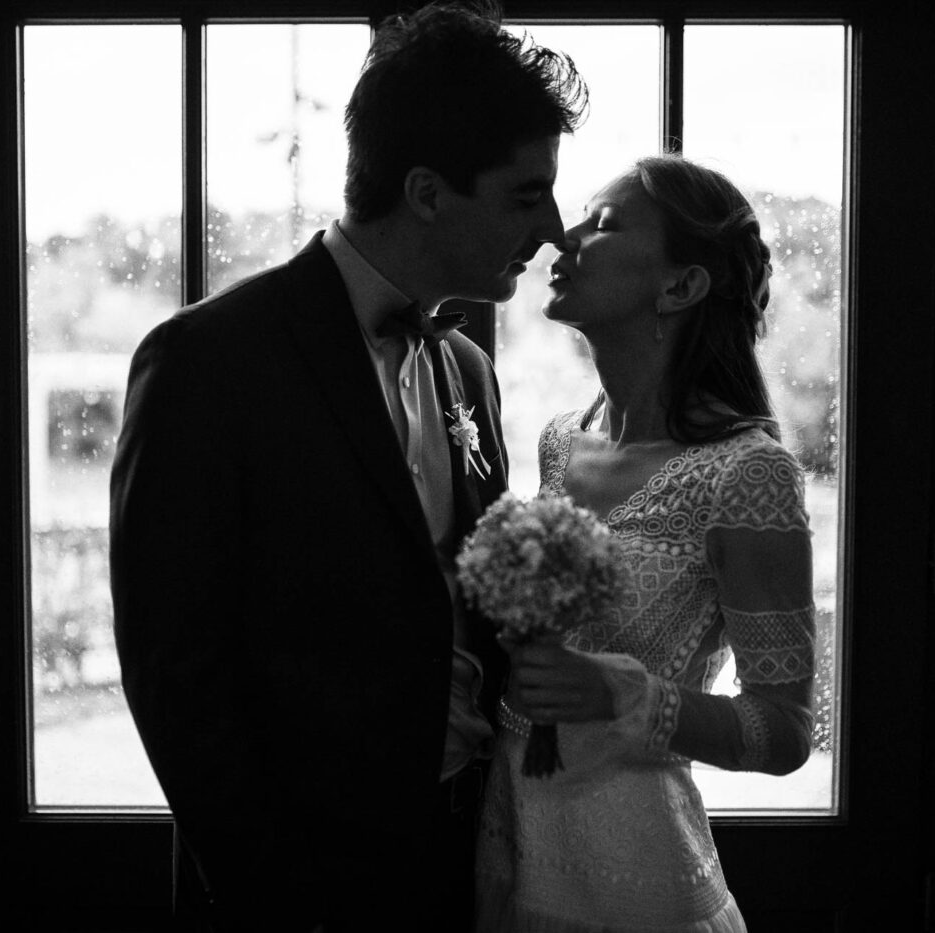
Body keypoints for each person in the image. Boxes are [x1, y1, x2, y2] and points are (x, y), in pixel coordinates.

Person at [108, 4, 585, 930]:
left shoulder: (468, 370)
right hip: (298, 884)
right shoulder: (208, 362)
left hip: (465, 861)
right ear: (427, 191)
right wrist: (274, 890)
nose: (559, 229)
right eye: (527, 196)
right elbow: (175, 667)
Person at [474, 155, 817, 932]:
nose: (564, 234)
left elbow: (787, 729)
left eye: (603, 223)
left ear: (680, 287)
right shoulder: (563, 443)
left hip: (636, 885)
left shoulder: (747, 474)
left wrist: (626, 695)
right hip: (512, 846)